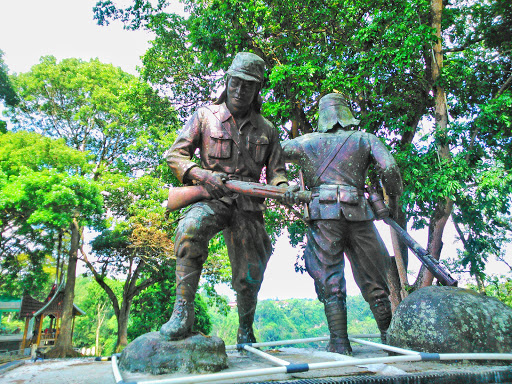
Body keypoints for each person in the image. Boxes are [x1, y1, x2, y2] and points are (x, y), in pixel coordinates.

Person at [161, 52, 291, 344]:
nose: (240, 89)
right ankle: (182, 313)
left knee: (250, 272)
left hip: (248, 205)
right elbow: (175, 155)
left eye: (248, 85)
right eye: (236, 82)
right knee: (189, 230)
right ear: (227, 80)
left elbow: (277, 173)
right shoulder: (205, 116)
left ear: (258, 90)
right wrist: (202, 175)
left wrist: (283, 187)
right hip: (211, 197)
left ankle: (245, 329)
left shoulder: (268, 130)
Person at [282, 93, 403, 355]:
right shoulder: (366, 139)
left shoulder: (305, 143)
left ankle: (339, 342)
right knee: (375, 280)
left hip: (323, 217)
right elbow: (390, 170)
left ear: (322, 116)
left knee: (330, 280)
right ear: (346, 113)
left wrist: (282, 184)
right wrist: (391, 202)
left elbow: (271, 154)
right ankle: (389, 339)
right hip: (360, 213)